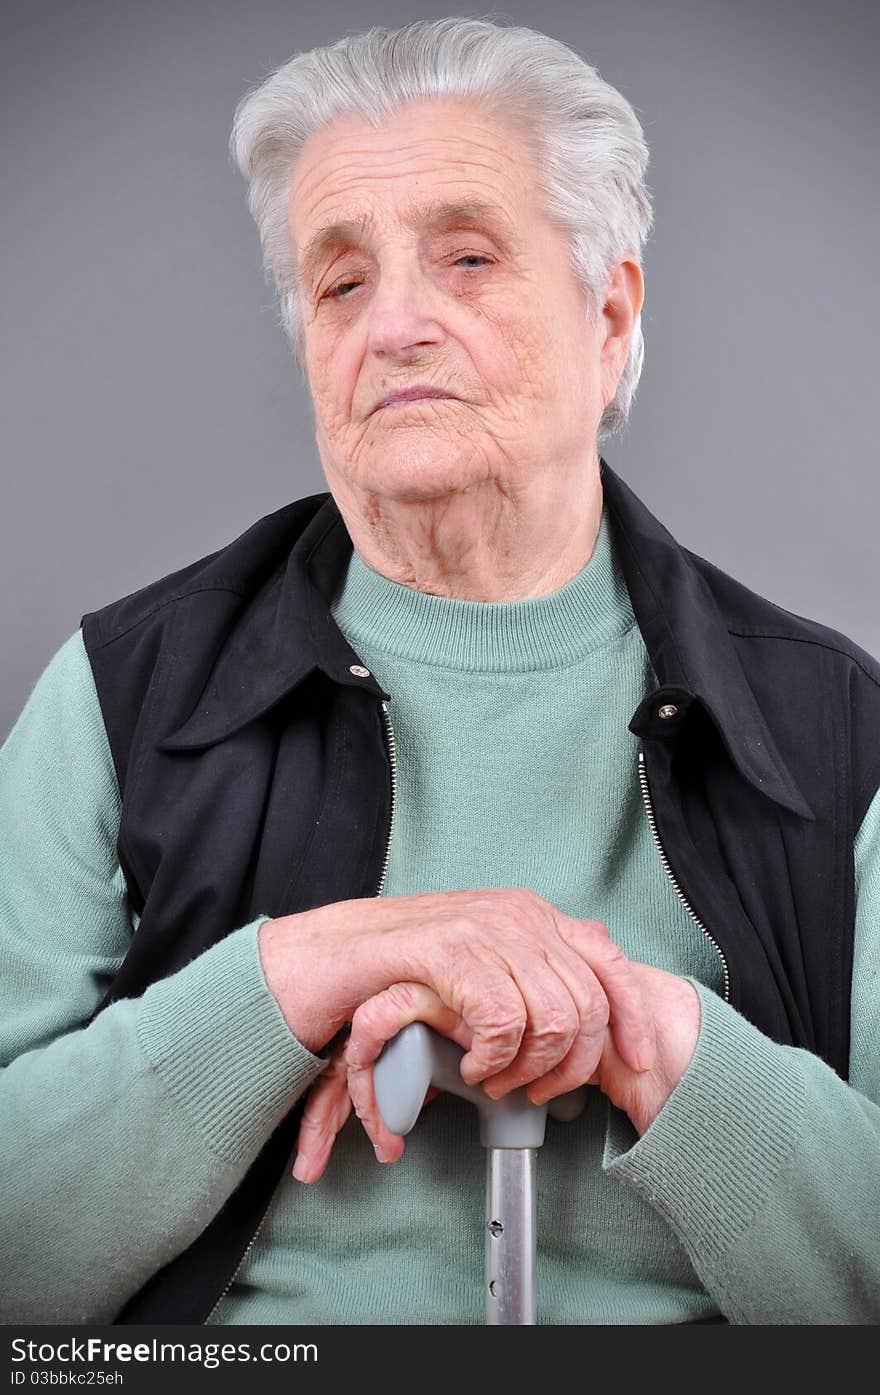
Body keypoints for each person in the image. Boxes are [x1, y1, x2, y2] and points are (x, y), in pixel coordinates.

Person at [1, 17, 879, 1327]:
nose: (397, 322)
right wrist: (304, 970)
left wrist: (648, 1031)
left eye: (467, 258)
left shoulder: (834, 727)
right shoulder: (124, 692)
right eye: (341, 281)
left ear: (611, 314)